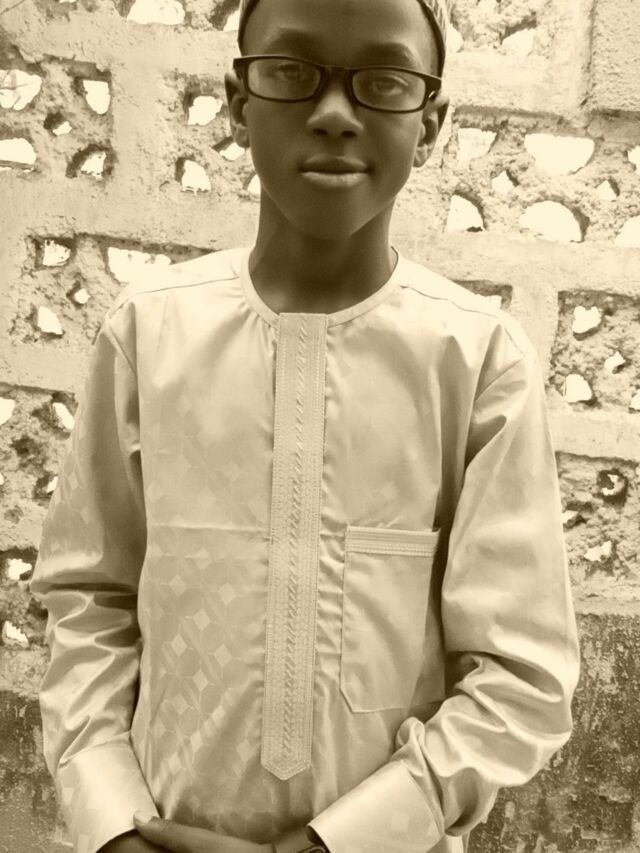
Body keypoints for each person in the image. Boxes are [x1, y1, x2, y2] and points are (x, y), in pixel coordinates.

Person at [30, 0, 580, 852]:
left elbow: (521, 674)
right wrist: (114, 824)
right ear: (238, 101)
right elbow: (90, 601)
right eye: (292, 72)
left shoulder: (477, 360)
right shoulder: (148, 333)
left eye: (383, 80)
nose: (333, 113)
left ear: (431, 123)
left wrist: (339, 842)